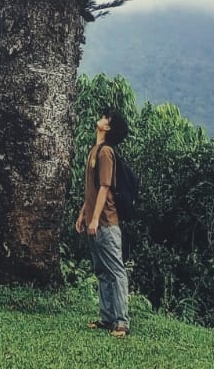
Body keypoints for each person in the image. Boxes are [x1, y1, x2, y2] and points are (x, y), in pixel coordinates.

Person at [75, 106, 130, 338]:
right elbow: (92, 190)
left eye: (106, 117)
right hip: (95, 219)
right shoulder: (95, 150)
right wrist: (83, 214)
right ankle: (107, 318)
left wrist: (95, 219)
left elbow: (106, 188)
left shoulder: (106, 152)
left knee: (115, 270)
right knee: (102, 270)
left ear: (108, 127)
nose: (101, 118)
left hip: (107, 222)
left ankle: (121, 322)